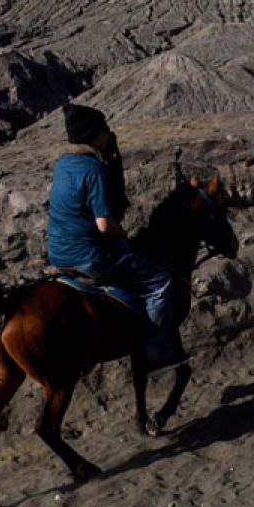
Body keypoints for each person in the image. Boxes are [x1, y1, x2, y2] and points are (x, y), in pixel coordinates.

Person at [46, 104, 185, 374]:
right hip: (89, 256)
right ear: (94, 136)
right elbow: (104, 226)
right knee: (160, 282)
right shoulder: (94, 170)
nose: (109, 135)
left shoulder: (63, 163)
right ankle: (157, 354)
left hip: (58, 252)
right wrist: (122, 231)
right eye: (104, 130)